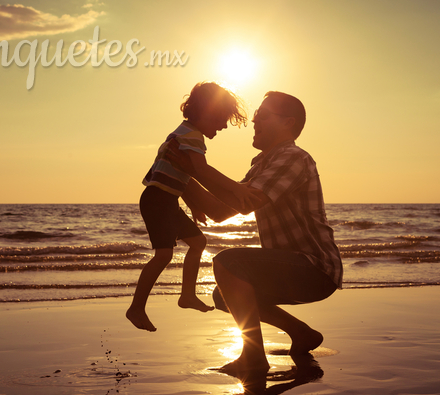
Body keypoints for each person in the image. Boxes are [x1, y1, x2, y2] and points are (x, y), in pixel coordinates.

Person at [170, 91, 343, 376]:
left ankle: (253, 357)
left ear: (288, 123)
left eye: (262, 115)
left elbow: (243, 201)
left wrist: (192, 168)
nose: (254, 120)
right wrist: (177, 172)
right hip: (291, 268)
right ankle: (302, 333)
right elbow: (220, 211)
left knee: (228, 263)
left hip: (315, 268)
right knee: (222, 295)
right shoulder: (261, 164)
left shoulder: (293, 157)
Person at [126, 82, 256, 332]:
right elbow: (200, 170)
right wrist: (236, 188)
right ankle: (136, 307)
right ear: (209, 113)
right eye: (221, 120)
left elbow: (176, 175)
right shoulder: (192, 137)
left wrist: (194, 206)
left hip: (167, 198)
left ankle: (187, 296)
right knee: (163, 255)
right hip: (157, 200)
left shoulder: (182, 133)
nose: (223, 126)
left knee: (198, 243)